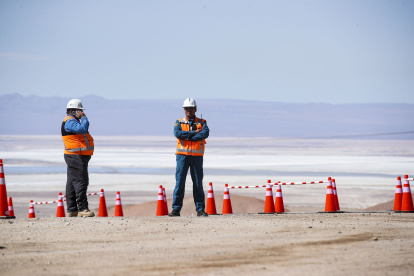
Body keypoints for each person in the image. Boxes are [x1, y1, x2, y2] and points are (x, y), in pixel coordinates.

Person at [170, 98, 210, 217]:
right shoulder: (179, 122)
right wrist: (194, 133)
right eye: (187, 108)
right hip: (182, 157)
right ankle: (176, 210)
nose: (189, 110)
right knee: (180, 183)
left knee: (198, 183)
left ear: (195, 109)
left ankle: (200, 210)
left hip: (196, 157)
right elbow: (178, 134)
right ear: (184, 110)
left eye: (191, 108)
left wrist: (187, 137)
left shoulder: (202, 122)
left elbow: (205, 134)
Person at [61, 99, 95, 217]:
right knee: (81, 182)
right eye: (79, 110)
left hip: (76, 156)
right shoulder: (70, 121)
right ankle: (83, 209)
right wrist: (84, 118)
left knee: (71, 182)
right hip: (76, 156)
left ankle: (72, 210)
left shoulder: (72, 121)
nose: (81, 112)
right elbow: (82, 129)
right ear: (73, 111)